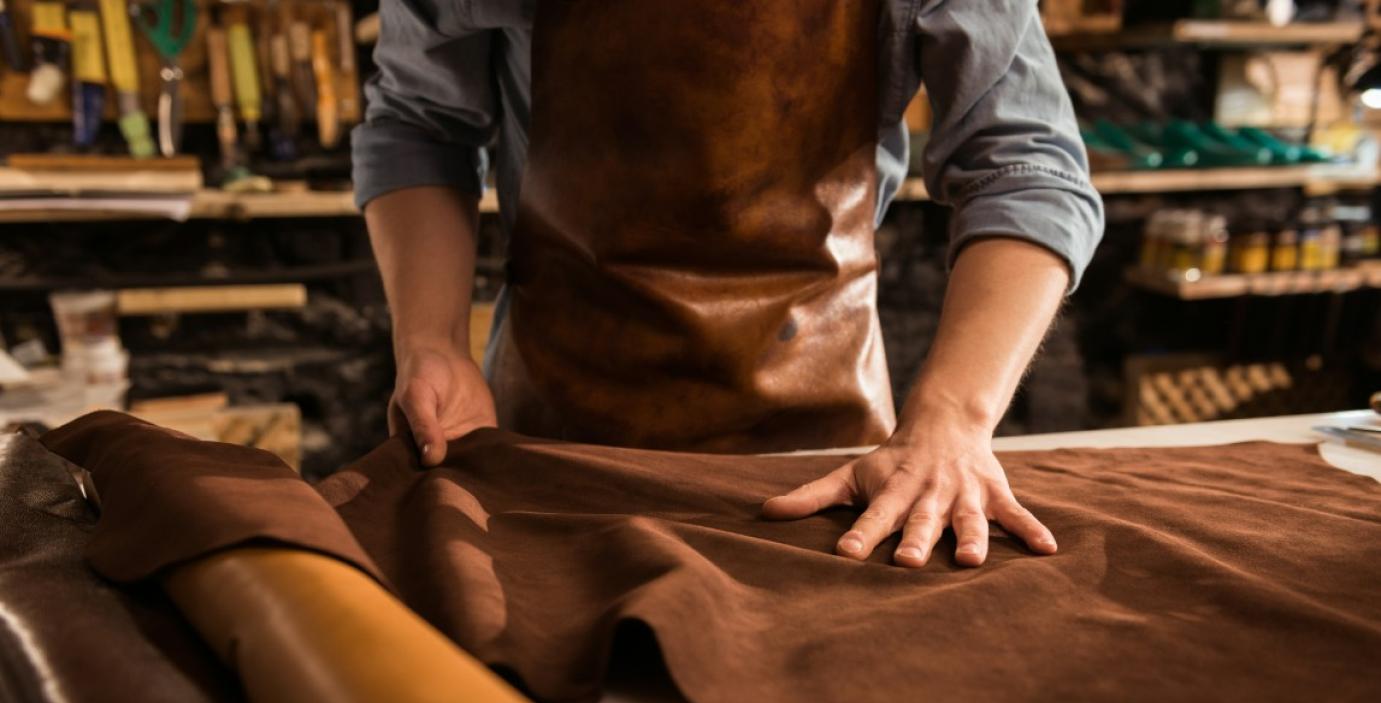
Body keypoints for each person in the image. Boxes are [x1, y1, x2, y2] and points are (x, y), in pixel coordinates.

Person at [353, 0, 1104, 569]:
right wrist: (432, 341)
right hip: (550, 439)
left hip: (825, 468)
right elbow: (421, 125)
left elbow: (1026, 167)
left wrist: (953, 417)